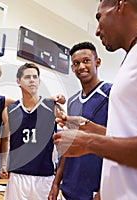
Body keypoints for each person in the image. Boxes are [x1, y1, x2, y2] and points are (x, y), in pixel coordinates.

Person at [53, 0, 137, 199]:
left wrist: (89, 142)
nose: (97, 30)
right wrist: (91, 128)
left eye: (99, 17)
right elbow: (129, 137)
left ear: (120, 5)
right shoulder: (134, 55)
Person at [49, 42, 112, 200]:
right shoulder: (72, 101)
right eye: (76, 63)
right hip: (70, 186)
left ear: (97, 62)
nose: (81, 66)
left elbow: (120, 139)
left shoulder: (111, 93)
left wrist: (105, 190)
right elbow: (68, 145)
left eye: (86, 61)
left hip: (96, 188)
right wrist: (56, 183)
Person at [0, 63, 63, 200]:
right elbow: (5, 139)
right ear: (18, 81)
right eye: (27, 77)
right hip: (17, 176)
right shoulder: (9, 111)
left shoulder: (52, 107)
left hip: (44, 176)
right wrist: (3, 163)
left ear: (39, 81)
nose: (32, 80)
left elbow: (65, 136)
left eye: (35, 77)